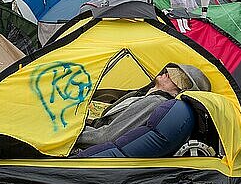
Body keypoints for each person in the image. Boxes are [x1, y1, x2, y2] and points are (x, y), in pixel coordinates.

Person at [74, 63, 211, 149]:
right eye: (172, 71)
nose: (168, 73)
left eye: (176, 77)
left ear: (178, 90)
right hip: (90, 127)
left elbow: (105, 136)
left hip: (85, 137)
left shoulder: (155, 102)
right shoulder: (145, 94)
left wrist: (68, 135)